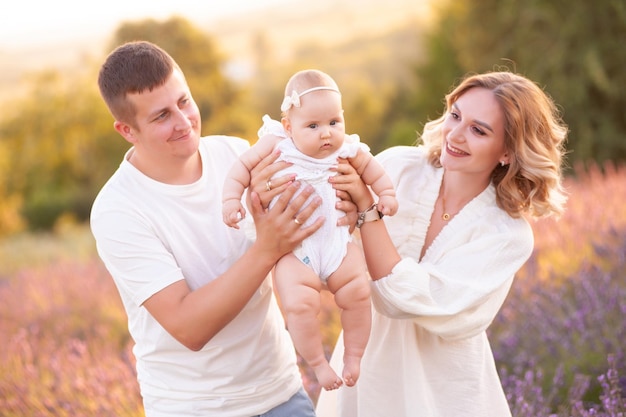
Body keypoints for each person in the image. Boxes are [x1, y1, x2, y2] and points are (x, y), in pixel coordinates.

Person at [90, 41, 355, 417]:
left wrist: (354, 208)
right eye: (161, 116)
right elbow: (188, 326)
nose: (183, 123)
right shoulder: (118, 209)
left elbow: (312, 243)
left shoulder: (236, 155)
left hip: (281, 394)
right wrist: (268, 247)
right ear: (126, 130)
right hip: (194, 408)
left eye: (184, 102)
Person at [316, 71, 568, 416]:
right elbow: (326, 241)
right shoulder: (397, 167)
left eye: (478, 130)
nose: (456, 135)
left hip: (444, 392)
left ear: (507, 151)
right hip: (364, 371)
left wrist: (366, 210)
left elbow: (402, 299)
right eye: (456, 116)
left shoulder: (506, 235)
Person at [222, 69, 398, 391]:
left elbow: (375, 172)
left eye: (334, 122)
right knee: (299, 306)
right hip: (295, 251)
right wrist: (231, 200)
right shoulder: (277, 143)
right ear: (289, 127)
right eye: (313, 126)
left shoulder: (347, 150)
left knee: (359, 294)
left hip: (337, 244)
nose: (326, 134)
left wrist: (385, 195)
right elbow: (242, 169)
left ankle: (354, 356)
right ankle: (318, 364)